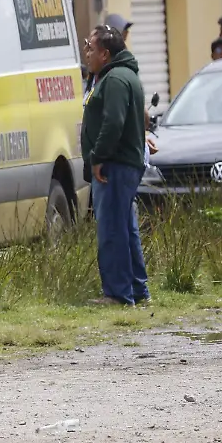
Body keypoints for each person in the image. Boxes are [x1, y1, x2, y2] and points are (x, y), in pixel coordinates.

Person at [81, 25, 150, 306]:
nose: (86, 53)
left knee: (112, 229)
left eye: (90, 48)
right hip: (120, 163)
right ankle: (137, 290)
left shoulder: (116, 80)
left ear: (105, 54)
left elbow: (113, 123)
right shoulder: (113, 76)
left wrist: (98, 157)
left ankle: (118, 294)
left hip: (115, 165)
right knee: (126, 227)